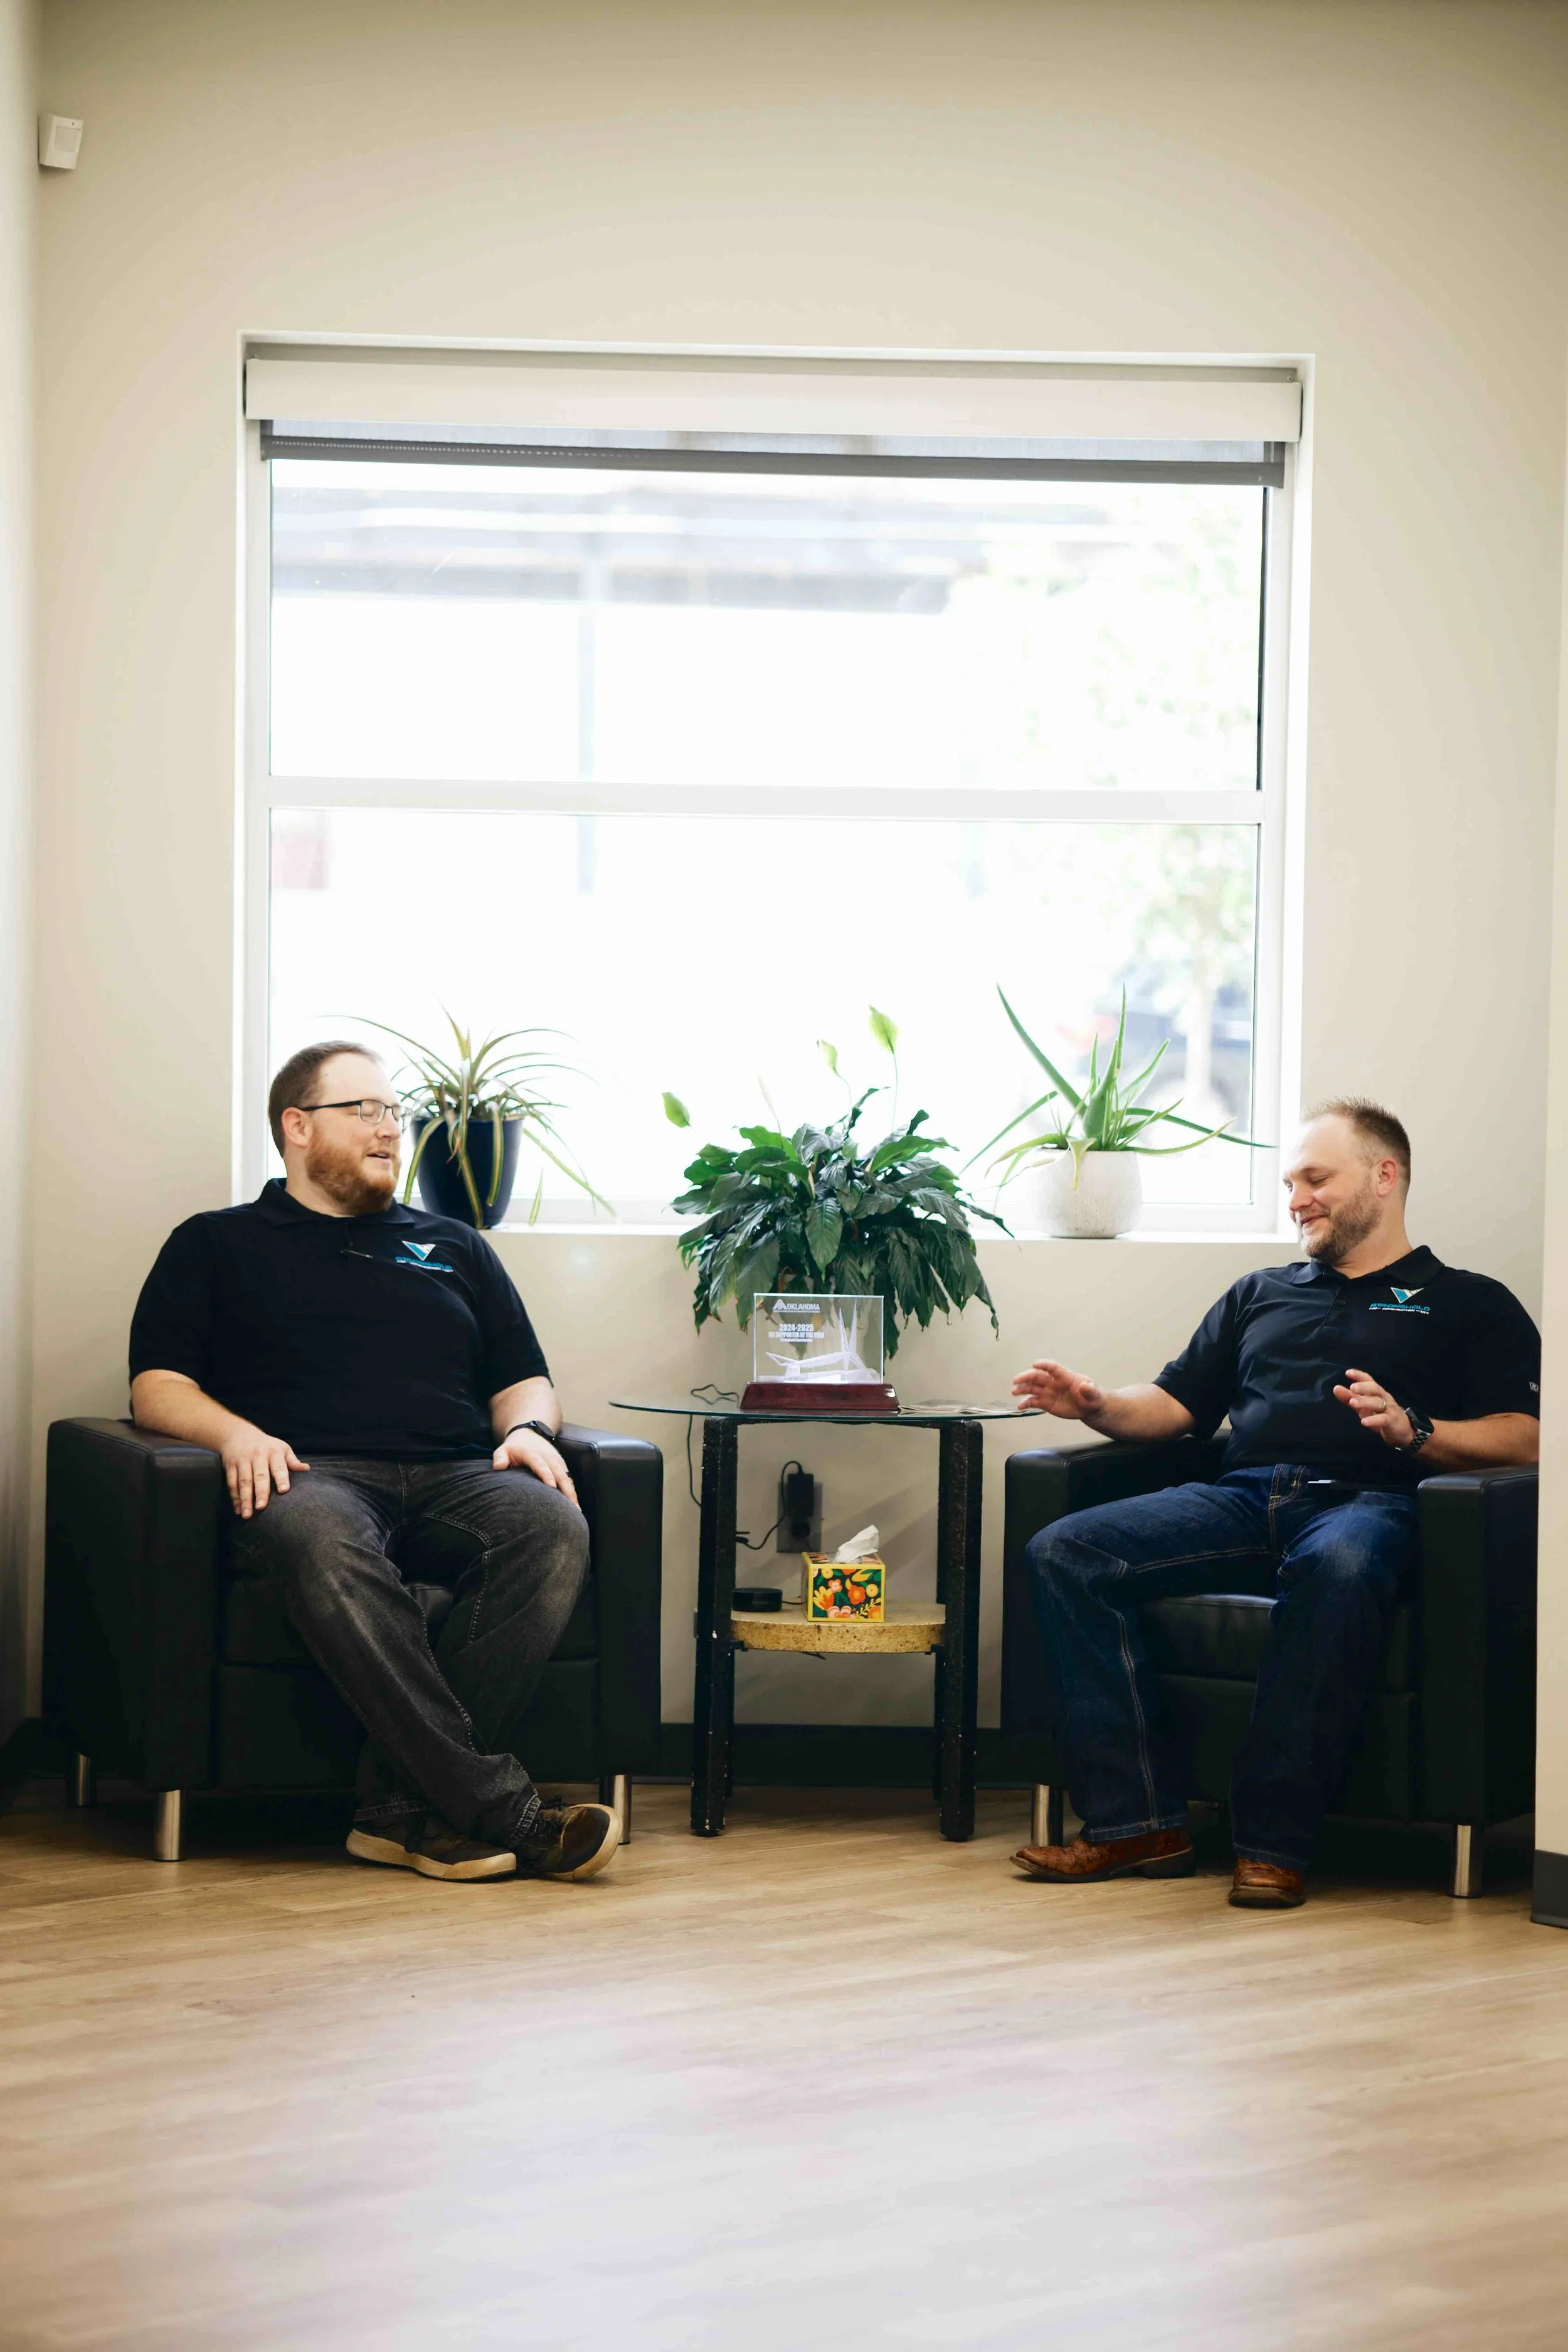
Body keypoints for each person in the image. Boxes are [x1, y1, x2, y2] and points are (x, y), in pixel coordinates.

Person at [1009, 1098, 1539, 1911]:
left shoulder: (1467, 1301)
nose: (1297, 1199)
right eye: (1291, 1183)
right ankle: (1136, 1820)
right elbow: (1174, 1406)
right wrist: (1094, 1402)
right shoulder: (1260, 1292)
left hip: (1371, 1503)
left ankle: (1272, 1843)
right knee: (1066, 1550)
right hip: (1242, 1496)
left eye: (1316, 1178)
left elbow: (1531, 1436)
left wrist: (1415, 1429)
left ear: (1385, 1175)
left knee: (1340, 1562)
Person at [128, 1040, 620, 1885]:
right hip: (308, 1479)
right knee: (324, 1541)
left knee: (552, 1525)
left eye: (393, 1113)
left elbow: (522, 1379)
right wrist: (235, 1434)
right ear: (296, 1126)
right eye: (364, 1111)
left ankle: (402, 1808)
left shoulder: (454, 1243)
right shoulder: (216, 1243)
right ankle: (506, 1810)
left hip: (457, 1476)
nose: (390, 1130)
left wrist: (532, 1430)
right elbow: (156, 1387)